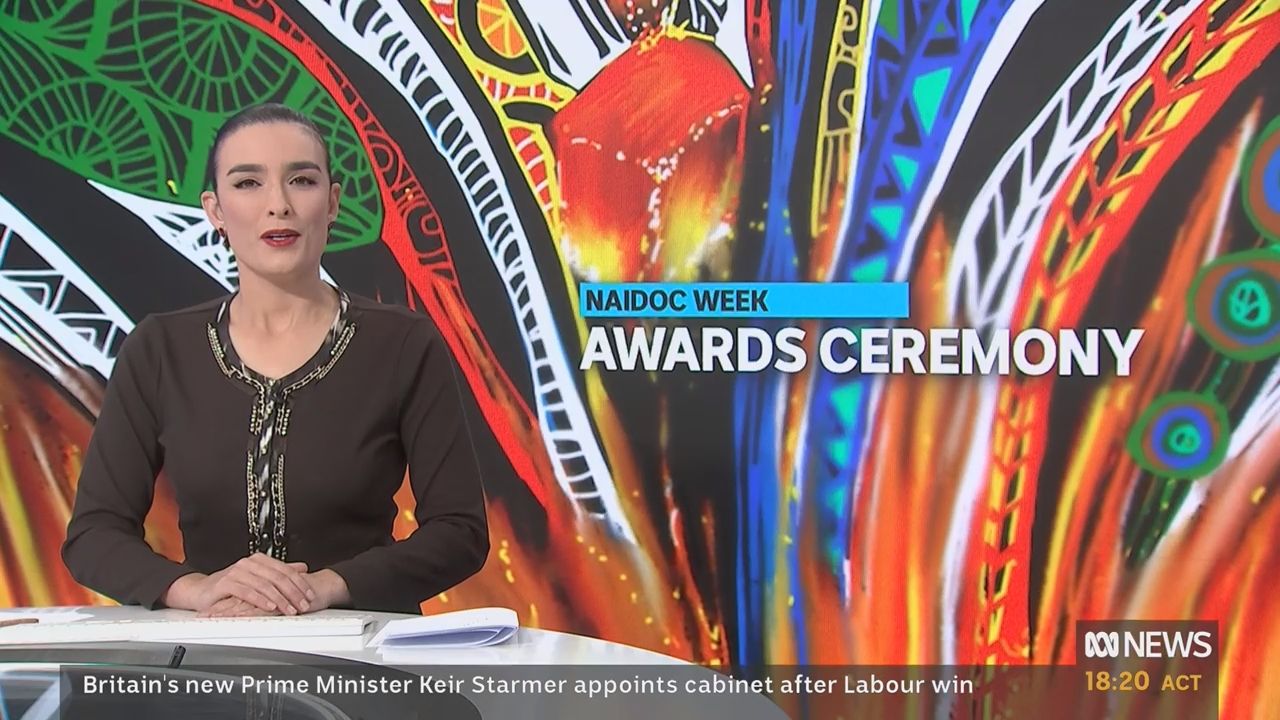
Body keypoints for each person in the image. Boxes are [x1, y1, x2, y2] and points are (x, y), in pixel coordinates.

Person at [61, 103, 489, 617]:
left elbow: (459, 532)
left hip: (361, 650)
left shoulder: (403, 343)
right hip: (214, 647)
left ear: (332, 203)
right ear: (215, 210)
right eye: (248, 183)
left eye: (302, 181)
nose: (278, 205)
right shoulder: (160, 349)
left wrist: (324, 588)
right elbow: (93, 535)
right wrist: (196, 590)